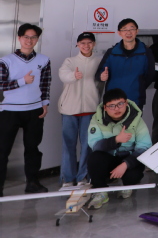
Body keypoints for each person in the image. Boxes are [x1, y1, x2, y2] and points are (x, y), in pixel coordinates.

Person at [0, 23, 51, 195]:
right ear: (19, 38)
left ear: (37, 39)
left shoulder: (44, 60)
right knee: (2, 150)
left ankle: (32, 183)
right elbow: (1, 84)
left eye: (33, 37)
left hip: (34, 110)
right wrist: (22, 81)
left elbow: (45, 84)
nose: (30, 40)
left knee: (33, 149)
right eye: (26, 37)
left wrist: (45, 103)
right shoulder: (6, 61)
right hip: (9, 111)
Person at [86, 88, 152, 209]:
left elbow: (144, 147)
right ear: (105, 107)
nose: (116, 109)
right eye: (111, 106)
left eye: (120, 104)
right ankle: (101, 191)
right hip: (109, 157)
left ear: (126, 103)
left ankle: (128, 186)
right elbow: (95, 145)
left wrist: (126, 164)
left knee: (133, 176)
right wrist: (116, 140)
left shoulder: (137, 120)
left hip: (129, 157)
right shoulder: (97, 119)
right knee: (94, 158)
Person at [58, 32, 103, 190]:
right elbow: (63, 75)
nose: (86, 45)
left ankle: (83, 176)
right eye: (82, 43)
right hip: (69, 109)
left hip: (90, 109)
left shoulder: (98, 61)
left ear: (94, 44)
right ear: (77, 44)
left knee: (87, 145)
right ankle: (67, 178)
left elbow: (101, 82)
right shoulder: (70, 61)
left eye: (89, 42)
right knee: (68, 145)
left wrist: (103, 77)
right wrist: (74, 75)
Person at [95, 18, 155, 109]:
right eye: (124, 29)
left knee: (134, 119)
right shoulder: (112, 52)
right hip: (113, 100)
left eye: (132, 29)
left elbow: (150, 75)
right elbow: (99, 73)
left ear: (137, 31)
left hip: (135, 100)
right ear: (119, 33)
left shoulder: (146, 52)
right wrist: (101, 76)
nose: (128, 32)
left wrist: (139, 86)